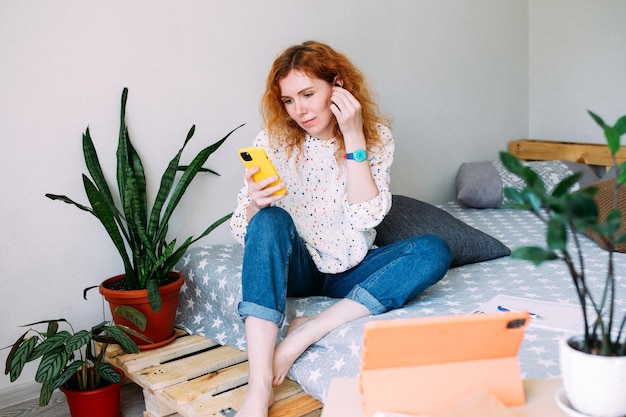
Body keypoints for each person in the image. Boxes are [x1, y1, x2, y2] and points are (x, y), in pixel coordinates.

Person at [229, 40, 451, 417]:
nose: (299, 110)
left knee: (433, 250)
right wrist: (255, 202)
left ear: (338, 85)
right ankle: (258, 385)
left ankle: (308, 330)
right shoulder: (272, 141)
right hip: (296, 267)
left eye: (308, 94)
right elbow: (242, 229)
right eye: (288, 100)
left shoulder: (375, 137)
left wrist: (353, 137)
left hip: (349, 269)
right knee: (268, 220)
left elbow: (367, 218)